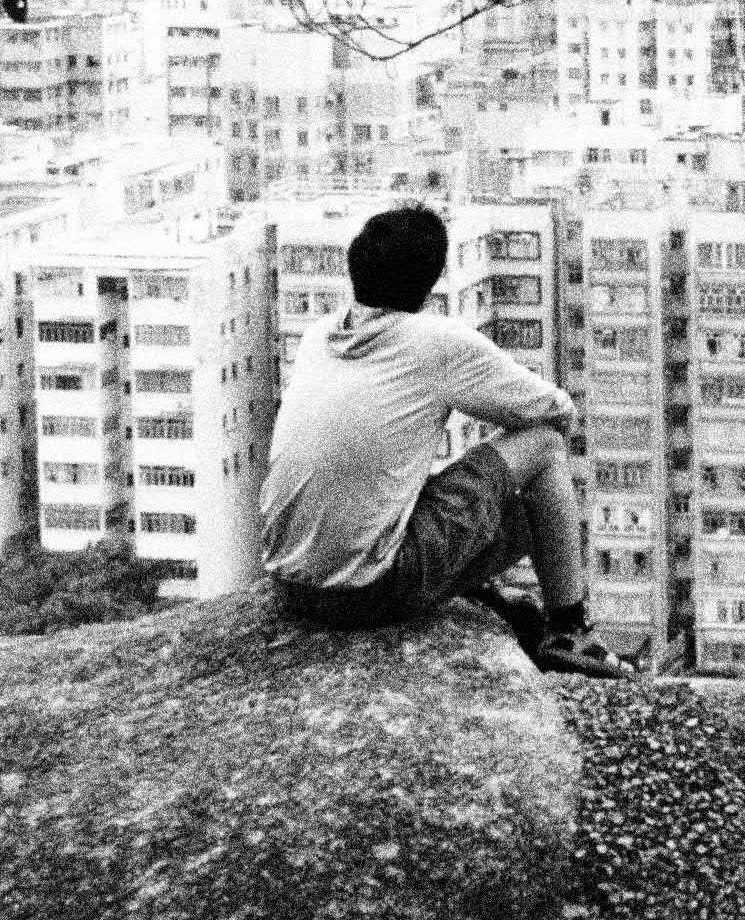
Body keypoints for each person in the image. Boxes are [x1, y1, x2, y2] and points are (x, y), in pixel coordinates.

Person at [256, 204, 636, 678]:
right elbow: (556, 412)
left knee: (493, 506)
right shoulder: (433, 342)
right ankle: (570, 630)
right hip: (365, 593)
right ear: (432, 278)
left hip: (288, 585)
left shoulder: (318, 336)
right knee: (542, 454)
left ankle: (481, 589)